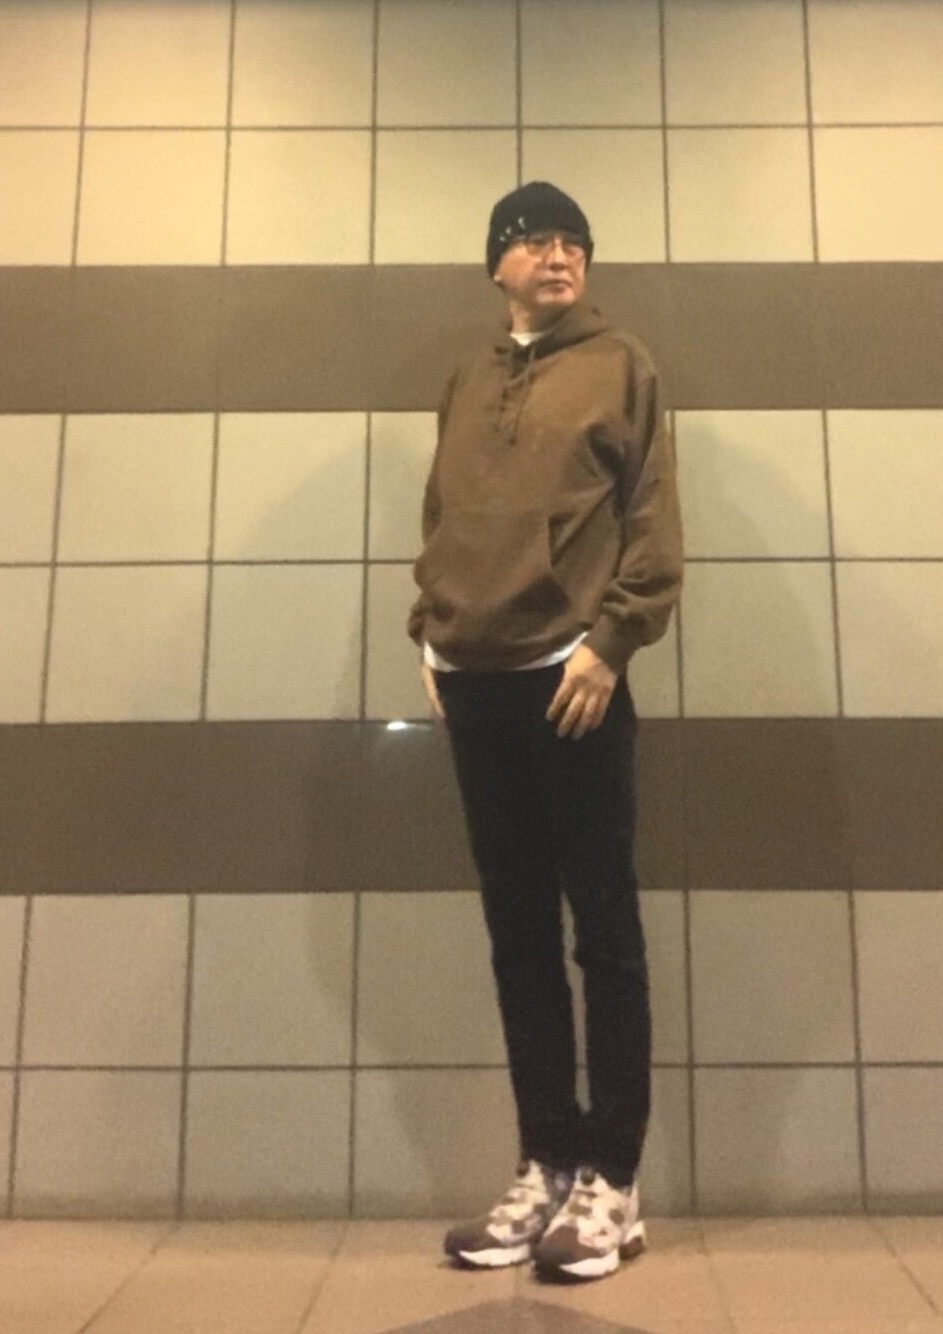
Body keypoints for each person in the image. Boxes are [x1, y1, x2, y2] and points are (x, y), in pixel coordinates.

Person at [407, 182, 684, 1283]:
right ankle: (548, 1166)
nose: (558, 255)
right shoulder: (468, 376)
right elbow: (441, 516)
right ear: (497, 265)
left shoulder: (622, 365)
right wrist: (428, 636)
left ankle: (613, 1182)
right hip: (471, 681)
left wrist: (611, 644)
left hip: (573, 681)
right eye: (533, 241)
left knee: (602, 932)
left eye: (573, 241)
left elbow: (652, 520)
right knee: (516, 933)